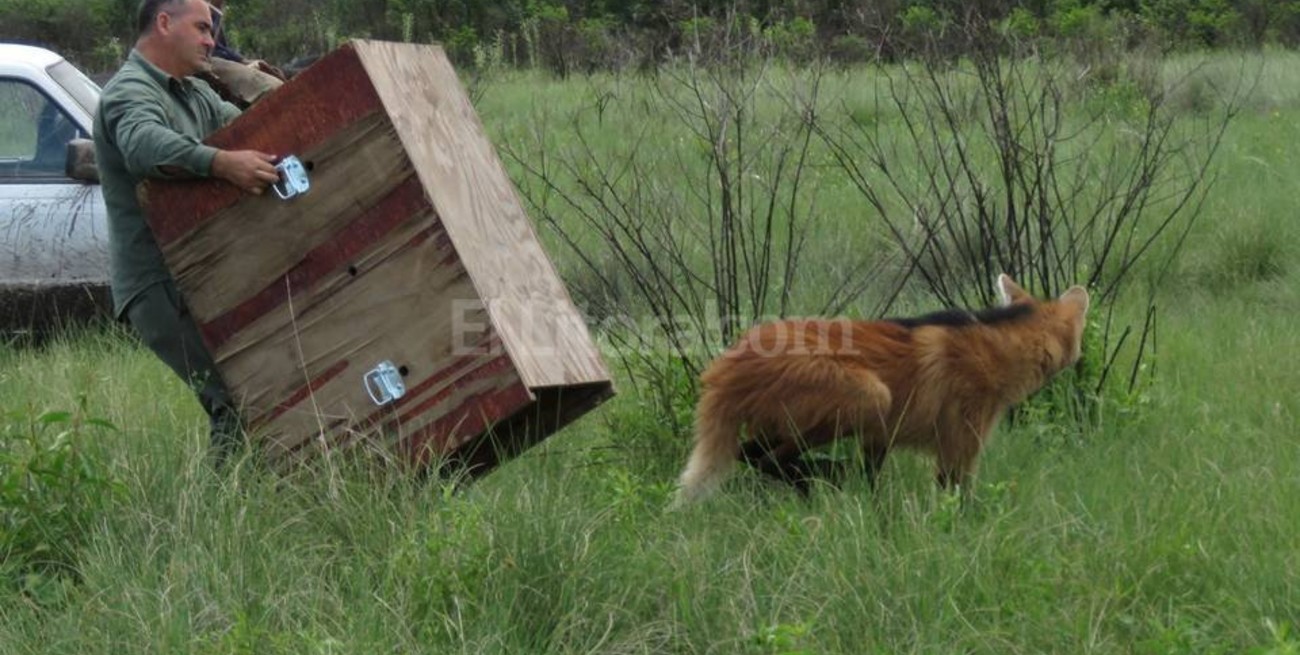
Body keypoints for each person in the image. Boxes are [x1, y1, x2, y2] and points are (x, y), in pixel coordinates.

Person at [94, 0, 281, 462]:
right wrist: (221, 163)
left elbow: (247, 130)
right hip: (158, 282)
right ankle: (219, 522)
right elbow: (143, 146)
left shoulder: (192, 93)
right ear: (163, 22)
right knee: (234, 402)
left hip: (200, 268)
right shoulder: (128, 92)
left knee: (260, 391)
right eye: (200, 27)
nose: (210, 40)